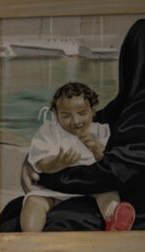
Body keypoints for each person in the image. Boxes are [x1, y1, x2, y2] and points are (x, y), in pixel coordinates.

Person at [1, 16, 145, 231]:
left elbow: (117, 171)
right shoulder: (135, 99)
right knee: (15, 210)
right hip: (101, 186)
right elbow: (85, 123)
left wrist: (48, 177)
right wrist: (38, 160)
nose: (76, 120)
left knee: (42, 223)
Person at [20, 82, 134, 233]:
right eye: (66, 115)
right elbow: (40, 163)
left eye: (82, 113)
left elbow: (108, 159)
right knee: (34, 201)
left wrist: (95, 147)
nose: (75, 121)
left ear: (93, 111)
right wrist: (57, 162)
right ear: (55, 114)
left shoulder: (101, 131)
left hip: (93, 186)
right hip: (56, 189)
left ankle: (113, 219)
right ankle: (29, 238)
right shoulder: (49, 131)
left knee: (108, 194)